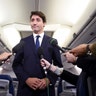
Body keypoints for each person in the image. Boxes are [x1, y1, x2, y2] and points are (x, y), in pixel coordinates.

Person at [12, 11, 62, 96]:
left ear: (44, 23)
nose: (34, 23)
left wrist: (48, 80)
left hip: (46, 90)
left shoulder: (52, 42)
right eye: (32, 20)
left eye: (38, 20)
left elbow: (59, 66)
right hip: (26, 90)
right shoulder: (23, 42)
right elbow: (16, 64)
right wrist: (26, 79)